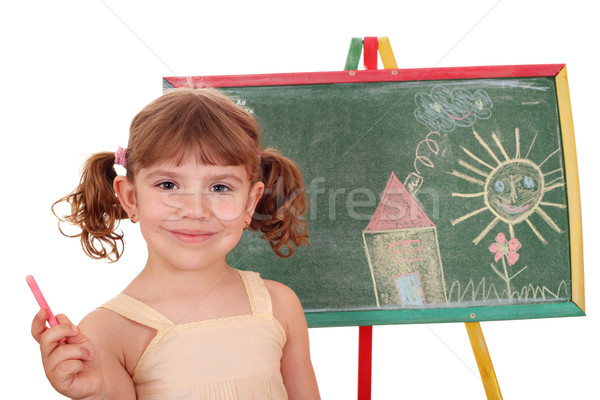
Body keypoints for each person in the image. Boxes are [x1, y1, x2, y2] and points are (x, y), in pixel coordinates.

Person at [31, 87, 321, 400]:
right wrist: (94, 392)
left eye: (220, 187)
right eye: (168, 184)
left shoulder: (279, 306)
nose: (195, 209)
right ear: (131, 197)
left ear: (249, 204)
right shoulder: (107, 331)